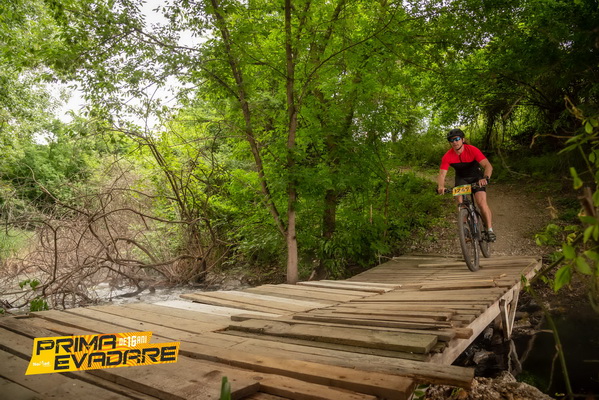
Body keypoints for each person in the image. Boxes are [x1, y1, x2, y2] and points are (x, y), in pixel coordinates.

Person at [437, 128, 496, 242]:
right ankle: (464, 226)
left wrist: (485, 178)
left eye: (457, 139)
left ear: (462, 139)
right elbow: (442, 174)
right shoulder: (447, 156)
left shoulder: (472, 150)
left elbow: (488, 166)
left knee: (481, 203)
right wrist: (441, 186)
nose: (454, 142)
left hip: (477, 177)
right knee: (460, 203)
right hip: (462, 179)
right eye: (451, 140)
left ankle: (489, 229)